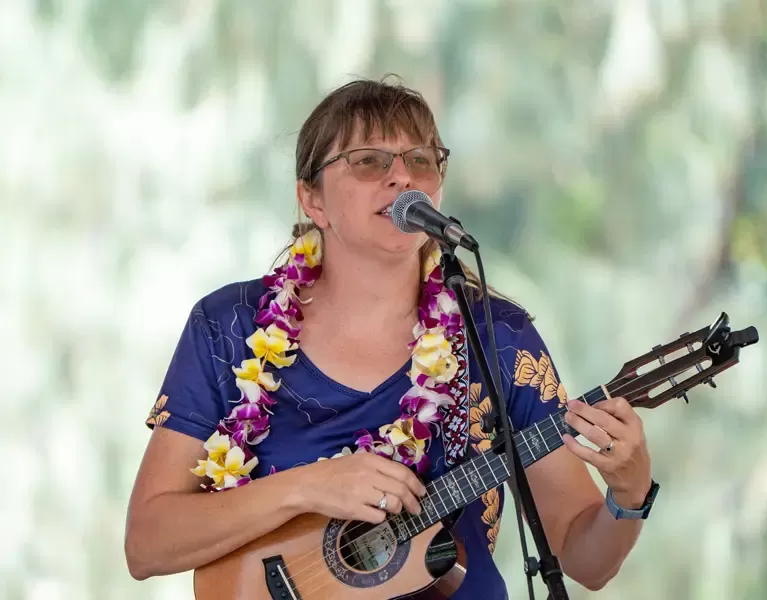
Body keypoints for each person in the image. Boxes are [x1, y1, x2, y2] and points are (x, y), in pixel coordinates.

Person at [125, 76, 655, 598]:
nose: (402, 176)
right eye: (369, 160)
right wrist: (309, 487)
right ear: (312, 199)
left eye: (421, 159)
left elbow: (585, 560)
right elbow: (147, 545)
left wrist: (628, 497)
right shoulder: (229, 326)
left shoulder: (497, 336)